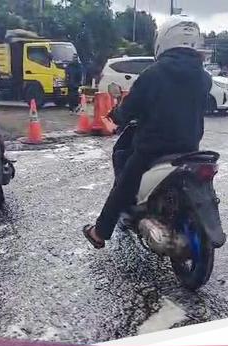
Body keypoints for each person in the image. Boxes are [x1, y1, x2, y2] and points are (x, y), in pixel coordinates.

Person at [82, 15, 212, 248]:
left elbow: (131, 107)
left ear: (165, 39)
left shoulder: (154, 73)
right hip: (190, 147)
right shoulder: (205, 77)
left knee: (125, 180)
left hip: (154, 149)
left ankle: (100, 232)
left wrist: (117, 115)